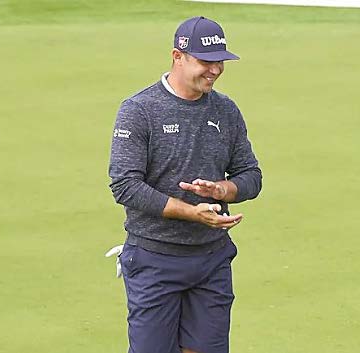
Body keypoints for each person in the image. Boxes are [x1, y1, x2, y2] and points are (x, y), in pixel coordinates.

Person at [107, 16, 262, 353]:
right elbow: (125, 185)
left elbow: (251, 175)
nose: (216, 70)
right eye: (206, 61)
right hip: (154, 258)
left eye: (220, 61)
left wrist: (224, 190)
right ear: (178, 56)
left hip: (212, 258)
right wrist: (192, 212)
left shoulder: (226, 110)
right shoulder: (139, 110)